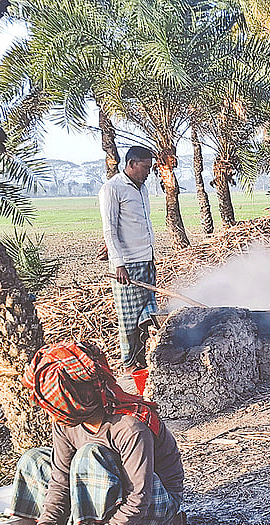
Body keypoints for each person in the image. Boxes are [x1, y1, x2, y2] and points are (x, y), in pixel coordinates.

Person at [12, 340, 184, 525]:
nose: (55, 414)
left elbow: (138, 501)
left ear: (88, 392)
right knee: (34, 460)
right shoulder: (65, 423)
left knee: (89, 456)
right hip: (111, 490)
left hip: (155, 502)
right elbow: (60, 483)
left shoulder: (129, 427)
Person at [100, 146, 158, 373]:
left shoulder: (142, 189)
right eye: (145, 168)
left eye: (150, 168)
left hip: (146, 259)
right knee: (129, 319)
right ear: (131, 164)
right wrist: (118, 264)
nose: (148, 173)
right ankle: (129, 364)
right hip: (127, 265)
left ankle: (143, 358)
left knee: (148, 313)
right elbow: (110, 230)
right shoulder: (112, 189)